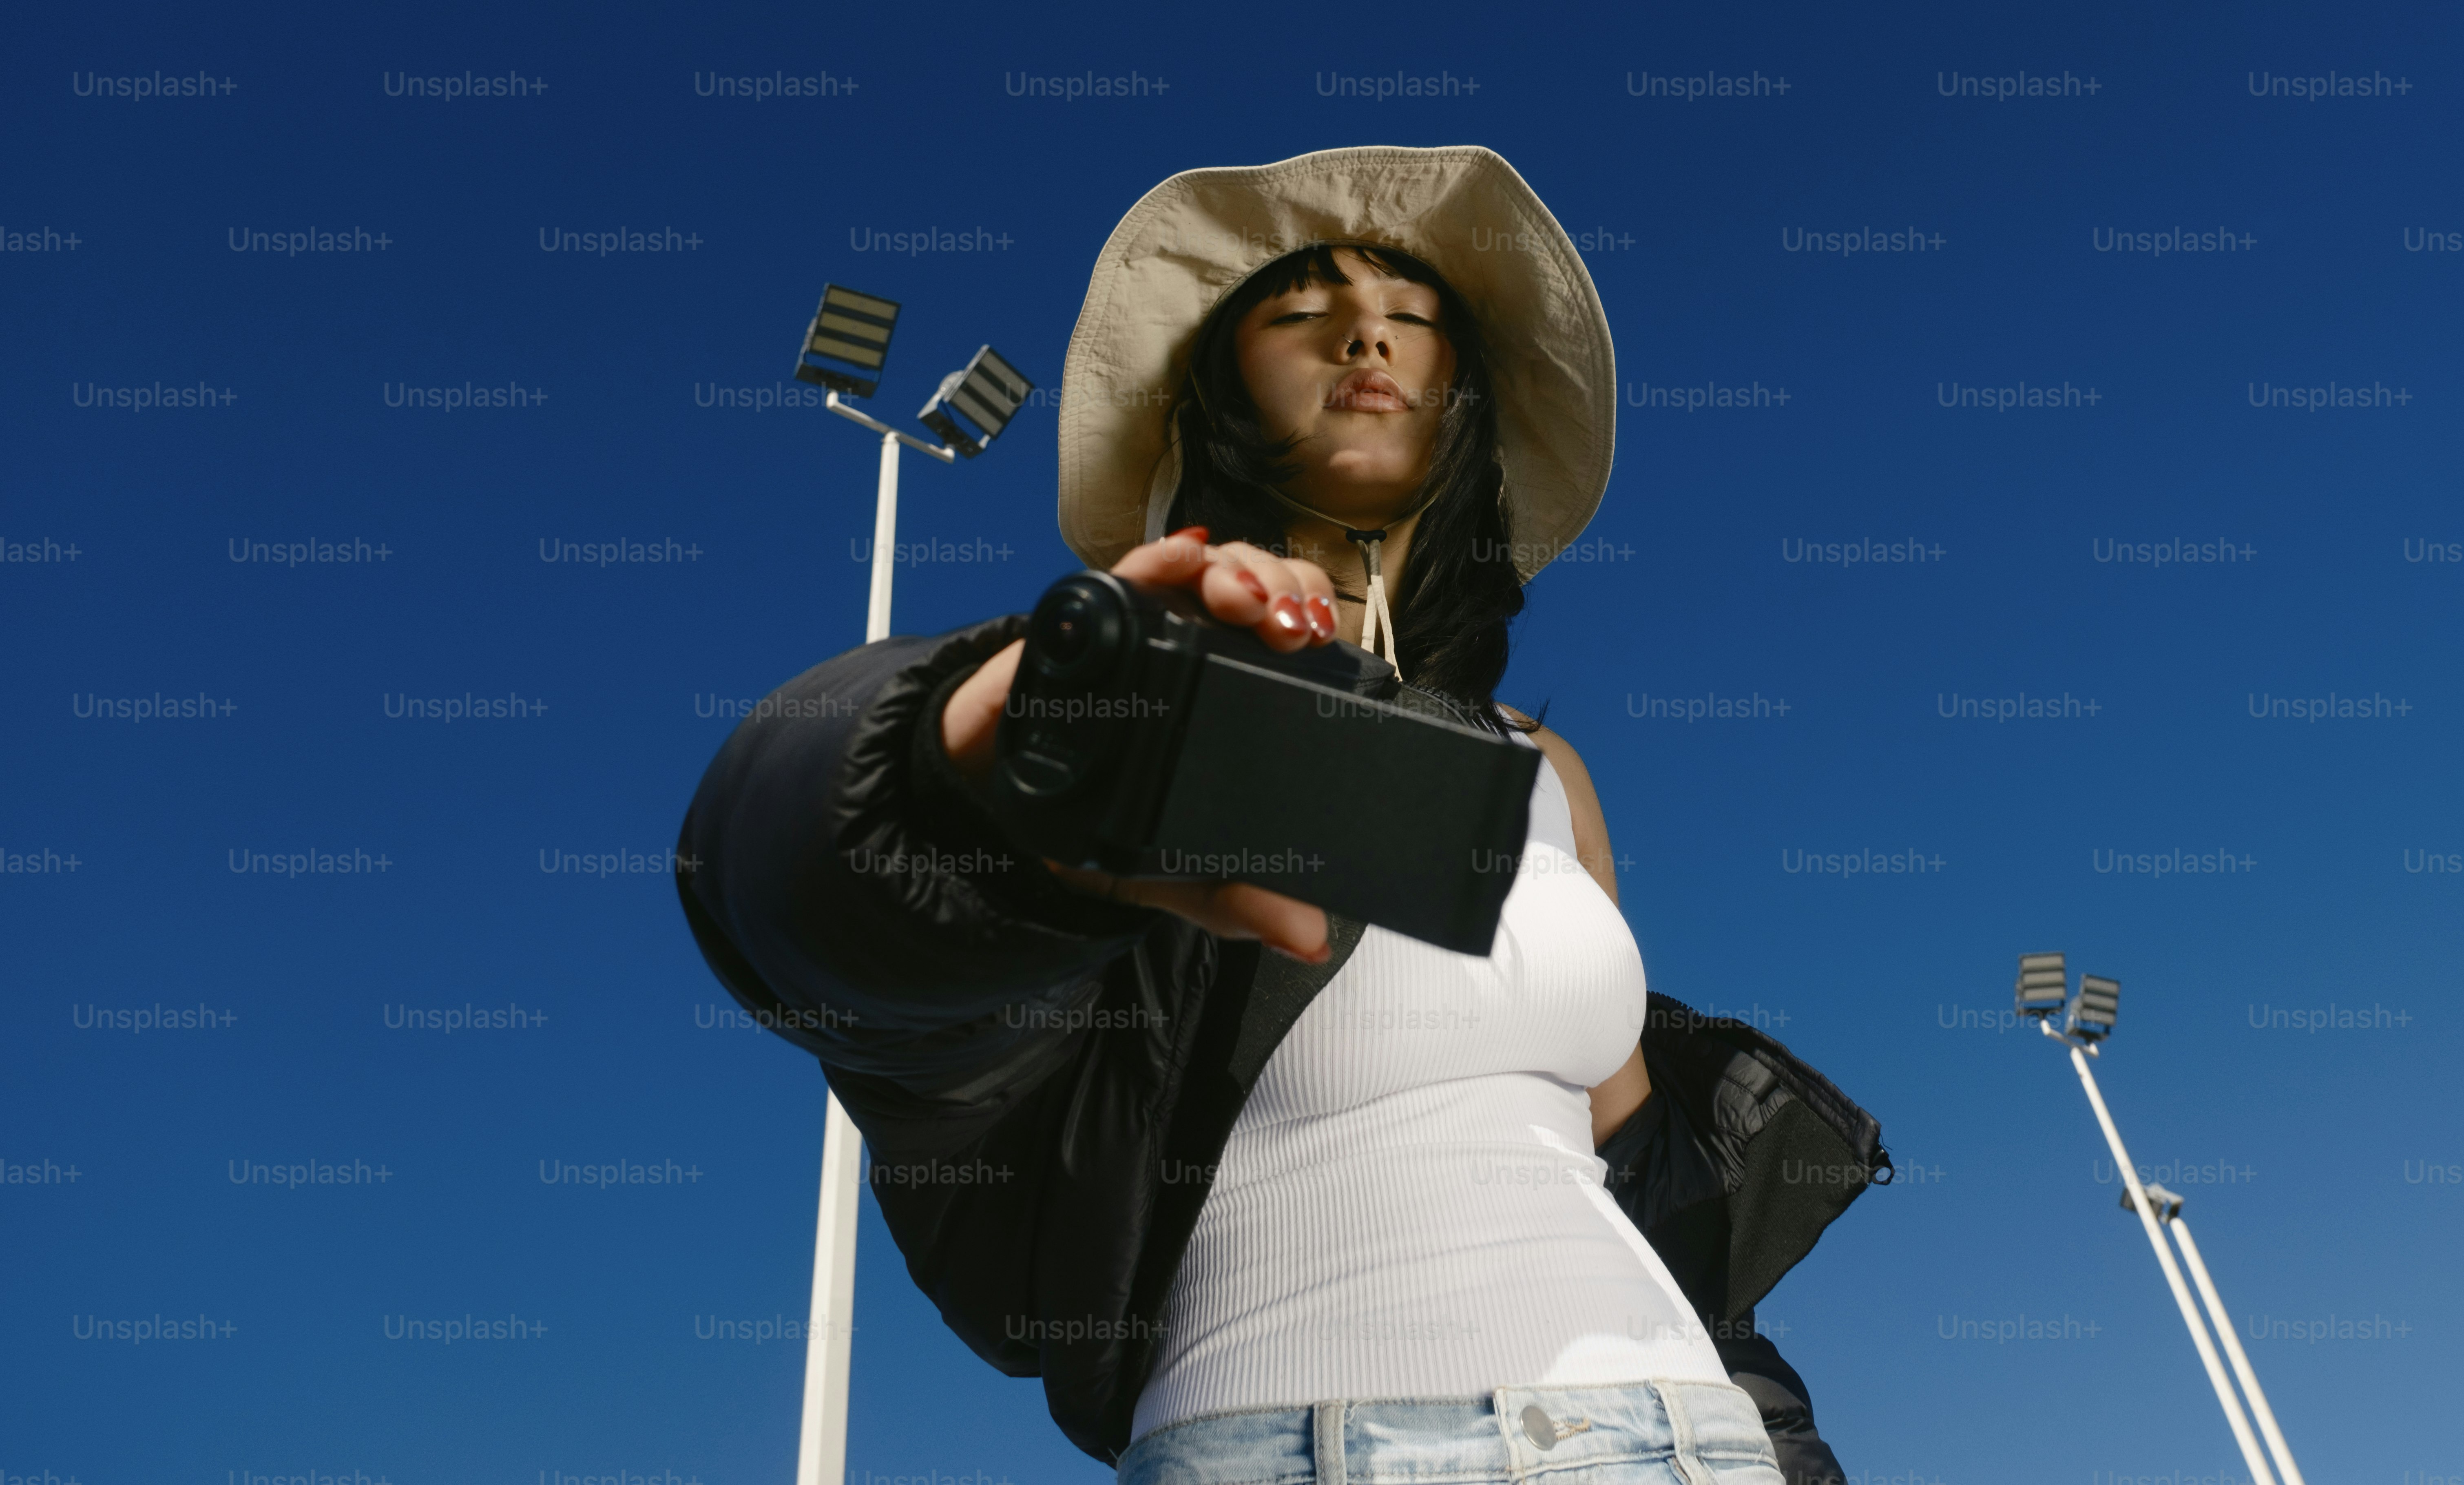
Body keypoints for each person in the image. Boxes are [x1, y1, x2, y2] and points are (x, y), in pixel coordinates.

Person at [677, 146, 1886, 1483]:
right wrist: (966, 779)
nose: (1365, 330)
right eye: (1300, 312)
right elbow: (808, 910)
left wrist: (1781, 1445)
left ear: (1462, 397)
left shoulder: (1549, 770)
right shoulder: (1117, 711)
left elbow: (1650, 1191)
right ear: (1212, 402)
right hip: (1281, 1445)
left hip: (1670, 1439)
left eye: (1411, 314)